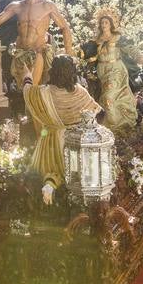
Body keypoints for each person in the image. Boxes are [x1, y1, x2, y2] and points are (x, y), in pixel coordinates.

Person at [22, 54, 101, 199]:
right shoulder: (80, 92)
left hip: (50, 142)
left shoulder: (43, 92)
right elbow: (94, 112)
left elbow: (28, 91)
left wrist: (27, 75)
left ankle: (48, 189)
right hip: (75, 143)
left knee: (47, 173)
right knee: (75, 176)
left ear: (53, 71)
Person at [92, 8, 141, 132]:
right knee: (104, 98)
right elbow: (86, 52)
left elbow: (130, 48)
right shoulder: (97, 40)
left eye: (106, 22)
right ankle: (111, 124)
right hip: (102, 71)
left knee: (109, 96)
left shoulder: (117, 37)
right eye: (102, 23)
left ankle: (115, 127)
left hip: (116, 69)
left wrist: (139, 56)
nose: (104, 25)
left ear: (111, 24)